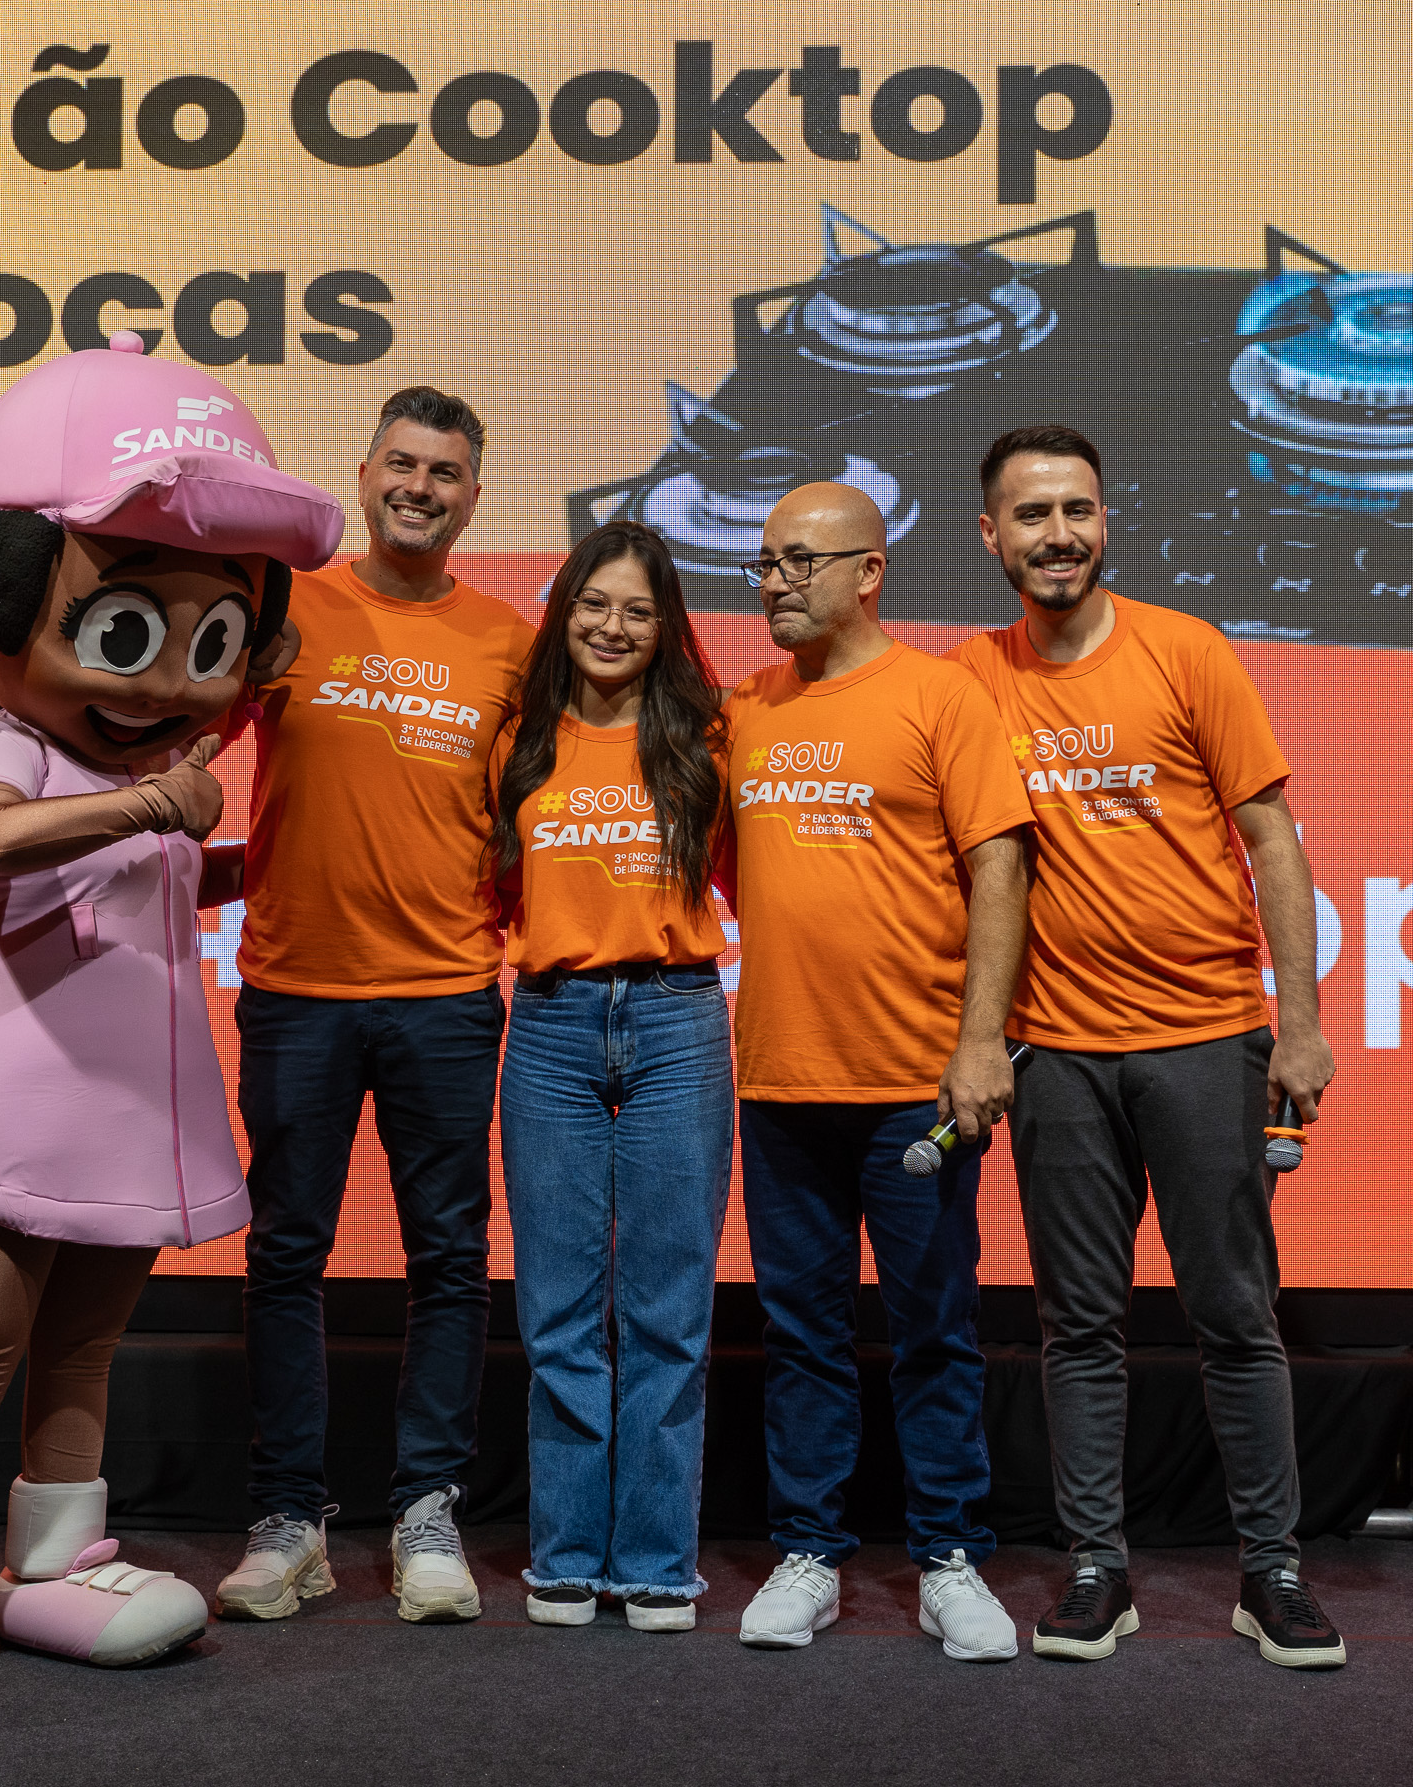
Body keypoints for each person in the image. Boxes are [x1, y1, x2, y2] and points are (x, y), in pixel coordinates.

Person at [0, 334, 346, 1696]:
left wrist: (254, 857)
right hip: (12, 1099)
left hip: (128, 1104)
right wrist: (155, 802)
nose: (168, 683)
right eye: (127, 632)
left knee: (83, 1345)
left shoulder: (136, 777)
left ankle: (53, 1562)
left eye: (214, 642)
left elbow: (151, 869)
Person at [957, 424, 1344, 1668]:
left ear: (1103, 521)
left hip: (1206, 1039)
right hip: (1056, 1054)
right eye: (1030, 515)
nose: (1056, 534)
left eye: (1075, 509)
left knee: (1233, 1316)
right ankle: (1095, 1569)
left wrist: (1300, 1024)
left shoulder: (1186, 651)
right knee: (1077, 1326)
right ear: (990, 535)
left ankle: (1270, 1571)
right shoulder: (969, 679)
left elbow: (1270, 841)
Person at [215, 387, 535, 1625]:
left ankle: (426, 1511)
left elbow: (530, 816)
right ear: (362, 476)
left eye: (443, 473)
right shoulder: (285, 609)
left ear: (471, 497)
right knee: (284, 1254)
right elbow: (184, 740)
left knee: (447, 1260)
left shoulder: (508, 643)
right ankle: (287, 1517)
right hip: (295, 988)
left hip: (446, 993)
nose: (419, 488)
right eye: (400, 464)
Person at [722, 482, 1031, 1662]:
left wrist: (978, 1041)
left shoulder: (938, 696)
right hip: (779, 1081)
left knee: (933, 1331)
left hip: (916, 1083)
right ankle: (808, 1550)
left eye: (799, 561)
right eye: (764, 562)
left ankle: (947, 1555)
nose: (775, 582)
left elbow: (997, 869)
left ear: (869, 571)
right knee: (798, 1334)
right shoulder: (742, 708)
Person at [488, 520, 732, 1633]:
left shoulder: (704, 740)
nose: (613, 626)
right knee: (558, 1313)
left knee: (668, 1309)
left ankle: (655, 1563)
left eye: (638, 610)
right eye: (594, 603)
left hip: (678, 1020)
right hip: (549, 1026)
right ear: (563, 611)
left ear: (666, 626)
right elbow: (495, 886)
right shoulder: (520, 742)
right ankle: (566, 1555)